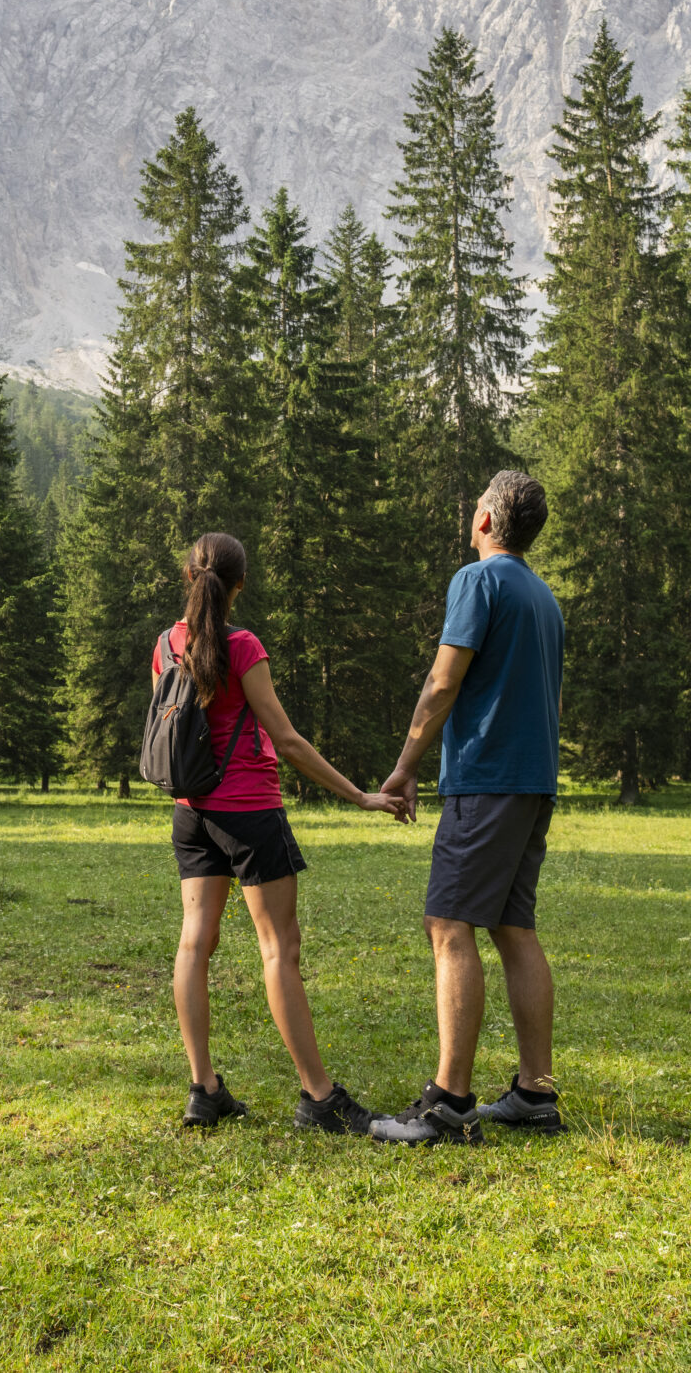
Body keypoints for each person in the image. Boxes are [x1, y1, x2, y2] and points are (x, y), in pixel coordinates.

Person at [160, 531, 404, 1136]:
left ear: (190, 576)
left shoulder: (166, 644)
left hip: (191, 811)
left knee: (194, 944)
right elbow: (288, 741)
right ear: (239, 585)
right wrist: (360, 795)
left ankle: (203, 1089)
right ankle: (319, 1098)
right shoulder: (242, 646)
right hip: (249, 811)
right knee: (279, 950)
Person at [369, 471, 568, 1144]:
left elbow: (443, 680)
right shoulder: (544, 598)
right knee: (514, 928)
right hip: (533, 782)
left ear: (485, 519)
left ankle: (449, 1103)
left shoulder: (477, 581)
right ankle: (535, 1093)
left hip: (486, 780)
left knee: (448, 923)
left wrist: (405, 766)